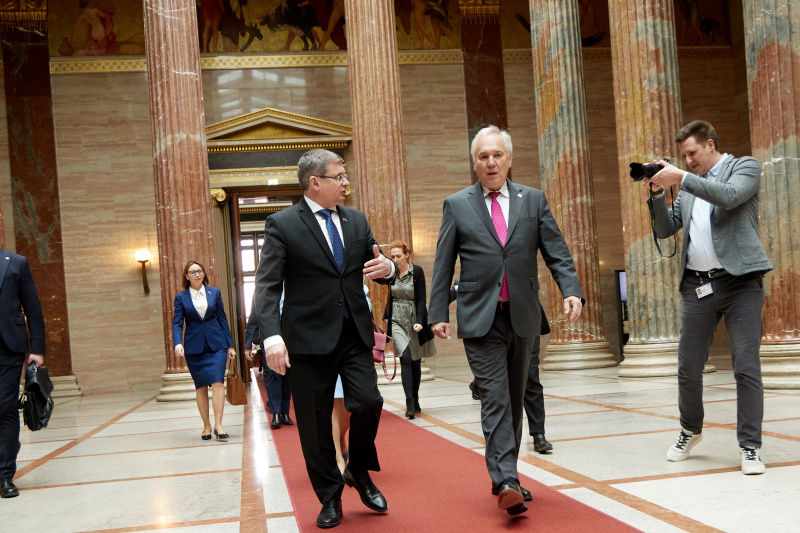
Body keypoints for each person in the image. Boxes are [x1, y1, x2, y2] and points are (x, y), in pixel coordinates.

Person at [428, 125, 584, 516]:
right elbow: (444, 263)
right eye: (483, 156)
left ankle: (509, 473)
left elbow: (556, 250)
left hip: (523, 315)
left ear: (509, 158)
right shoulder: (457, 204)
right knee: (494, 399)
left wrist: (571, 289)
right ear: (475, 162)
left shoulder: (532, 200)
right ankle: (505, 481)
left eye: (497, 155)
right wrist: (435, 313)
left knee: (515, 400)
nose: (491, 162)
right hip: (480, 317)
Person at [253, 149, 396, 528]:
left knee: (368, 401)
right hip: (307, 340)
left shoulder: (356, 220)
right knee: (315, 425)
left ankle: (359, 471)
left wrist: (390, 268)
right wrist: (271, 338)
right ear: (315, 182)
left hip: (353, 333)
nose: (346, 183)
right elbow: (266, 287)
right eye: (340, 177)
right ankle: (330, 497)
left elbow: (377, 263)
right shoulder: (282, 224)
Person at [644, 120, 772, 475]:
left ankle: (749, 447)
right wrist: (657, 193)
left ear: (710, 144)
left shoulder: (743, 167)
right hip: (698, 286)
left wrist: (680, 178)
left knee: (745, 367)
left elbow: (729, 197)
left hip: (741, 284)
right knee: (688, 366)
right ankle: (690, 430)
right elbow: (667, 228)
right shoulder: (687, 188)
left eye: (692, 153)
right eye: (683, 157)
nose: (687, 161)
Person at [172, 260, 236, 441]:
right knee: (200, 387)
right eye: (193, 272)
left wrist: (230, 345)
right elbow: (177, 323)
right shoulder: (181, 297)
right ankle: (206, 426)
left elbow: (222, 319)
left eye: (199, 271)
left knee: (218, 383)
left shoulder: (214, 293)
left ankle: (219, 424)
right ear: (187, 276)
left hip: (217, 345)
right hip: (194, 347)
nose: (197, 274)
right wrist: (178, 344)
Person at [0, 249, 45, 499]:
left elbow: (32, 306)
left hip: (7, 348)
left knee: (4, 406)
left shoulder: (16, 263)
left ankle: (5, 475)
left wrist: (37, 348)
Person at [386, 240, 436, 419]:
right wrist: (386, 316)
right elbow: (388, 296)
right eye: (392, 256)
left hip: (414, 318)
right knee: (405, 358)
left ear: (407, 255)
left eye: (398, 256)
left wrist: (421, 320)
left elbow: (421, 297)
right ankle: (409, 403)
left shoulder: (417, 272)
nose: (395, 259)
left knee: (415, 361)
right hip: (396, 320)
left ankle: (415, 398)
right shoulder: (390, 273)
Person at [245, 310, 292, 430]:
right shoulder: (262, 292)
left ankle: (285, 413)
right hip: (269, 341)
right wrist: (247, 346)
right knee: (272, 374)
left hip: (290, 339)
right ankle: (276, 413)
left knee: (287, 376)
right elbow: (253, 321)